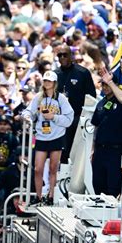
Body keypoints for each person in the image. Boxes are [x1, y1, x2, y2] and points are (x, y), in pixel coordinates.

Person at [23, 71, 74, 205]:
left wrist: (54, 117)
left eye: (49, 81)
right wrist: (28, 117)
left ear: (54, 83)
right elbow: (28, 110)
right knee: (37, 168)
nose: (47, 83)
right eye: (45, 80)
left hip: (57, 136)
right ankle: (38, 196)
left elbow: (69, 118)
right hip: (41, 136)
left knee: (53, 168)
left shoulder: (61, 98)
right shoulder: (39, 97)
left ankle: (51, 195)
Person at [55, 44, 96, 163]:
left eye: (65, 55)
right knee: (61, 151)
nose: (62, 57)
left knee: (76, 150)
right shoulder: (55, 74)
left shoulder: (82, 73)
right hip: (59, 118)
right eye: (59, 55)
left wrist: (83, 117)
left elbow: (91, 97)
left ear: (71, 56)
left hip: (77, 118)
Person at [90, 75, 122, 196]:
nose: (105, 87)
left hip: (116, 150)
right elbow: (96, 126)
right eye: (103, 85)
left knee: (113, 186)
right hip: (100, 150)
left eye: (107, 84)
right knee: (98, 183)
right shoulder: (101, 103)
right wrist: (92, 149)